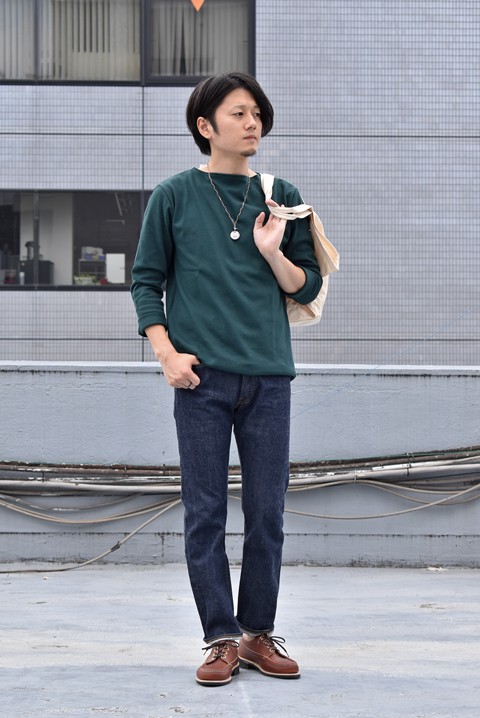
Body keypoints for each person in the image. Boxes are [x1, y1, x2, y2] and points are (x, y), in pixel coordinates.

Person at [131, 72, 321, 686]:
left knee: (267, 513)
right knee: (205, 513)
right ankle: (220, 638)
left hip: (268, 378)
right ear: (205, 126)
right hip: (200, 381)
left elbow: (307, 286)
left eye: (257, 113)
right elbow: (145, 281)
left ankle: (257, 634)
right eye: (239, 113)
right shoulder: (174, 195)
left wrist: (272, 251)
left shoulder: (281, 196)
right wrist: (166, 354)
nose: (252, 122)